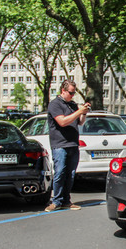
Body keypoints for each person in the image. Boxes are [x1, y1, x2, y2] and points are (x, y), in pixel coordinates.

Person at [45, 79, 91, 211]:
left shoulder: (72, 104)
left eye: (74, 93)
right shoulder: (55, 104)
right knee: (60, 172)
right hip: (60, 144)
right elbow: (63, 122)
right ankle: (56, 201)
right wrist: (78, 111)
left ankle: (66, 200)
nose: (72, 95)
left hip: (72, 143)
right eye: (70, 93)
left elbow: (80, 122)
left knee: (70, 174)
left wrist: (84, 112)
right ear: (63, 91)